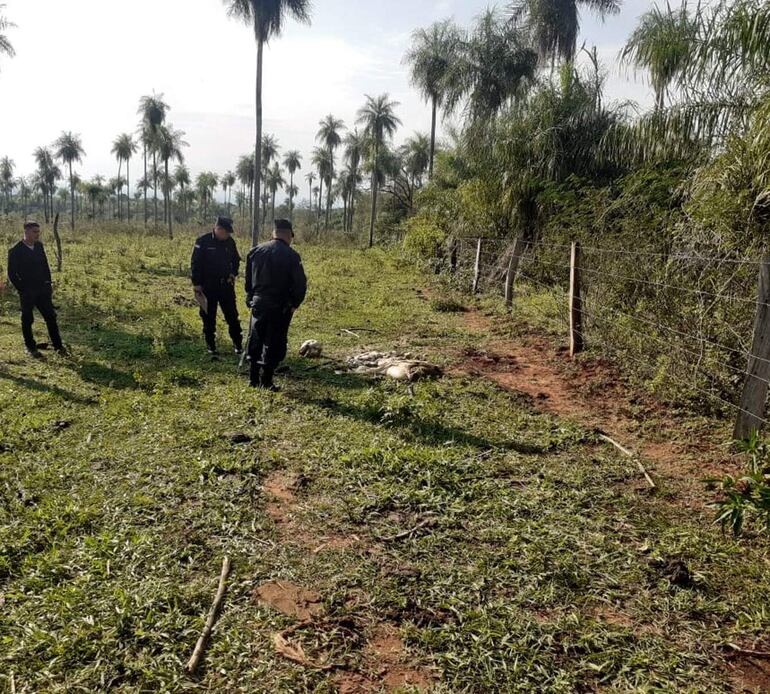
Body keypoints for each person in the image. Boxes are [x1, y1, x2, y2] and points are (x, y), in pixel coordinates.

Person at [245, 218, 307, 391]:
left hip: (258, 302)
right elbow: (300, 284)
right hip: (280, 306)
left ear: (273, 233)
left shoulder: (255, 251)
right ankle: (266, 381)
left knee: (256, 337)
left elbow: (248, 281)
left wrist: (250, 298)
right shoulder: (292, 256)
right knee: (274, 341)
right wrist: (295, 303)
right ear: (289, 236)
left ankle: (252, 379)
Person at [7, 221, 66, 357]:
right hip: (27, 291)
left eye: (38, 232)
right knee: (27, 319)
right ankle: (30, 347)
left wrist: (48, 284)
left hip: (43, 290)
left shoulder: (39, 246)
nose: (37, 235)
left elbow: (45, 266)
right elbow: (12, 274)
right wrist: (22, 289)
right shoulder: (16, 251)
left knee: (51, 317)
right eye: (34, 232)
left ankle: (58, 346)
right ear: (26, 232)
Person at [190, 217, 243, 355]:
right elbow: (195, 263)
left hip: (226, 286)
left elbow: (236, 260)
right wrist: (196, 284)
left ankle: (238, 344)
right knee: (208, 316)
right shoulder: (203, 241)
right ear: (218, 229)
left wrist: (233, 273)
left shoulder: (230, 242)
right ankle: (211, 346)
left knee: (232, 316)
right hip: (208, 287)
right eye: (226, 232)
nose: (228, 235)